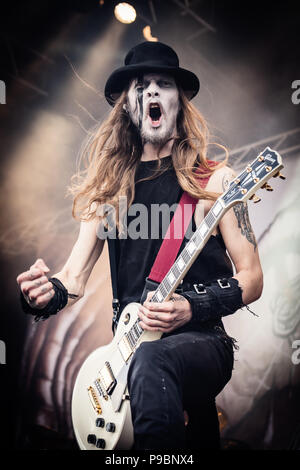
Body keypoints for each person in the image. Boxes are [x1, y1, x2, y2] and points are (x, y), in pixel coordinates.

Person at [16, 42, 263, 450]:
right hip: (128, 358)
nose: (151, 92)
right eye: (141, 86)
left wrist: (190, 306)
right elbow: (72, 278)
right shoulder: (108, 193)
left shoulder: (214, 182)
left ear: (178, 102)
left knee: (155, 361)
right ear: (128, 106)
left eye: (163, 84)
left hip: (202, 342)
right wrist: (42, 294)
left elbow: (252, 279)